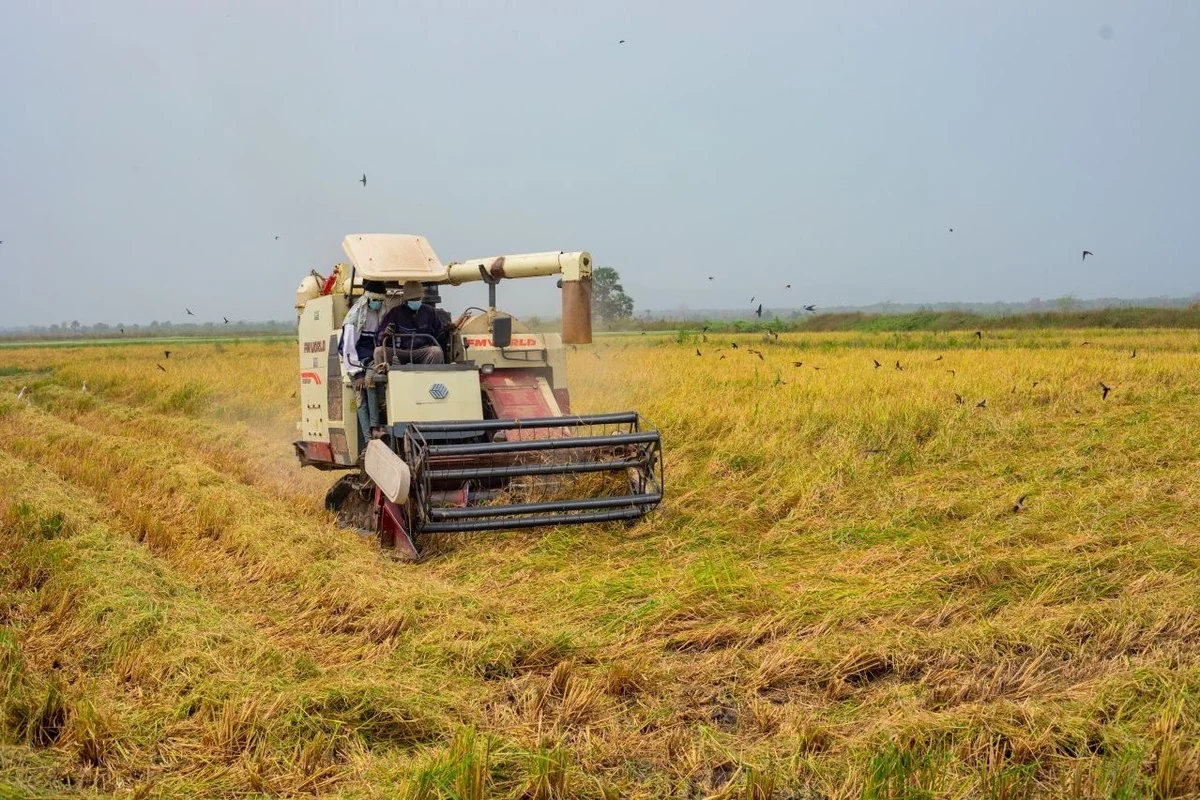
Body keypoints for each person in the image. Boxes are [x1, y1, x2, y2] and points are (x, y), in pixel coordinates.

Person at [339, 279, 389, 443]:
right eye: (375, 301)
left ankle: (375, 428)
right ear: (368, 299)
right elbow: (347, 349)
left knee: (371, 381)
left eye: (380, 301)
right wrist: (357, 373)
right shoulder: (354, 318)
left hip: (372, 358)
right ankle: (369, 440)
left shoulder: (380, 313)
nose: (378, 304)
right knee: (360, 396)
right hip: (355, 361)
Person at [376, 280, 446, 364]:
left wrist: (447, 331)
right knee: (378, 352)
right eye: (412, 299)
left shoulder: (429, 312)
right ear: (405, 300)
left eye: (418, 299)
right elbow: (380, 339)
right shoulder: (395, 312)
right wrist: (385, 334)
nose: (415, 301)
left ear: (421, 298)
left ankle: (431, 376)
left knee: (436, 352)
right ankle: (383, 375)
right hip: (400, 352)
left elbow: (439, 335)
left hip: (422, 352)